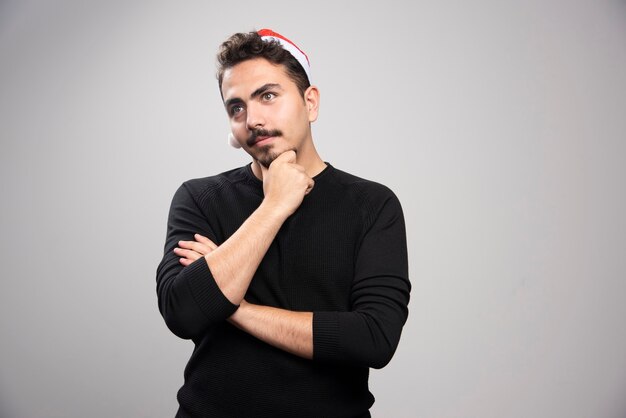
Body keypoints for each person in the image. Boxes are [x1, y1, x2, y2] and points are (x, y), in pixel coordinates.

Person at [156, 28, 411, 418]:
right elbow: (184, 313)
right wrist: (274, 205)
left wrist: (231, 307)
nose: (253, 119)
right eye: (236, 107)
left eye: (268, 96)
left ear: (310, 103)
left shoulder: (372, 205)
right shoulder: (200, 199)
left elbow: (373, 339)